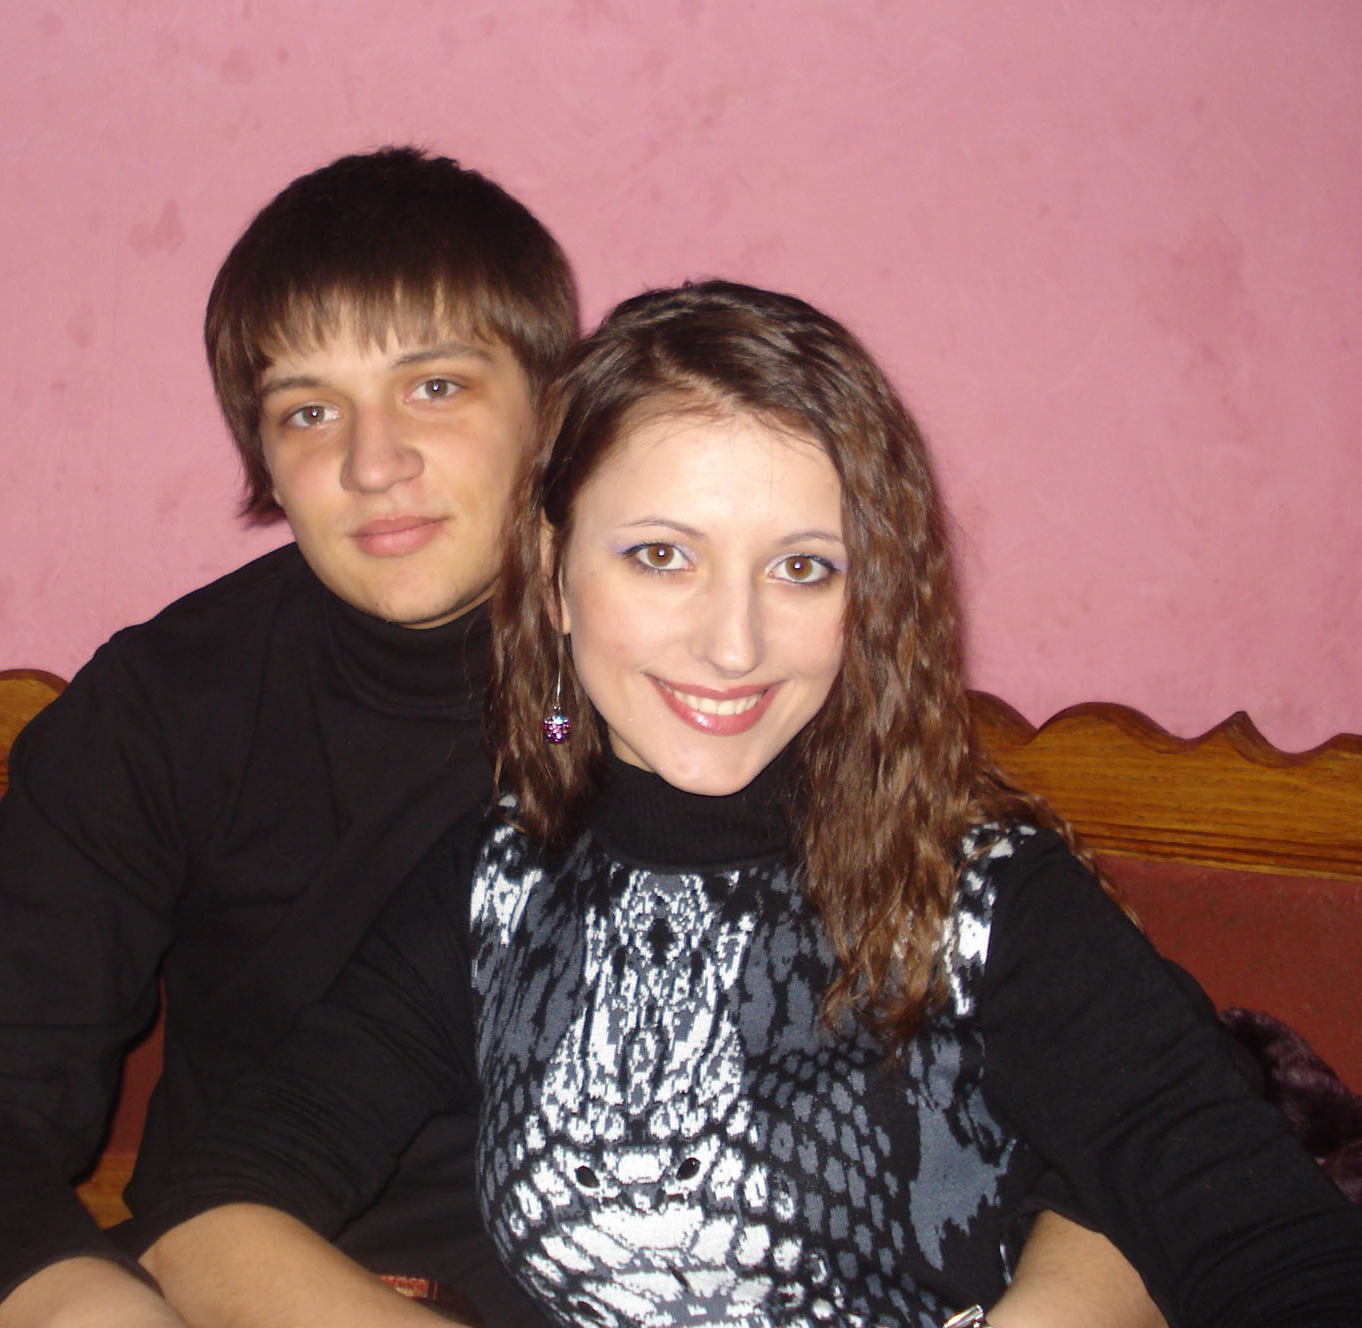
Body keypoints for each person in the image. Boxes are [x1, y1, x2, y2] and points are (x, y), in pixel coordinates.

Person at [132, 281, 1362, 1327]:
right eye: (660, 554)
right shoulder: (499, 876)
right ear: (552, 572)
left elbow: (1276, 1248)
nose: (733, 642)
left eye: (802, 566)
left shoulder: (984, 891)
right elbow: (208, 1205)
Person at [0, 147, 575, 1328]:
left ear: (549, 408)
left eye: (435, 386)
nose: (372, 462)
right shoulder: (163, 705)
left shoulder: (681, 677)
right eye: (308, 410)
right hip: (224, 1285)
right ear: (266, 459)